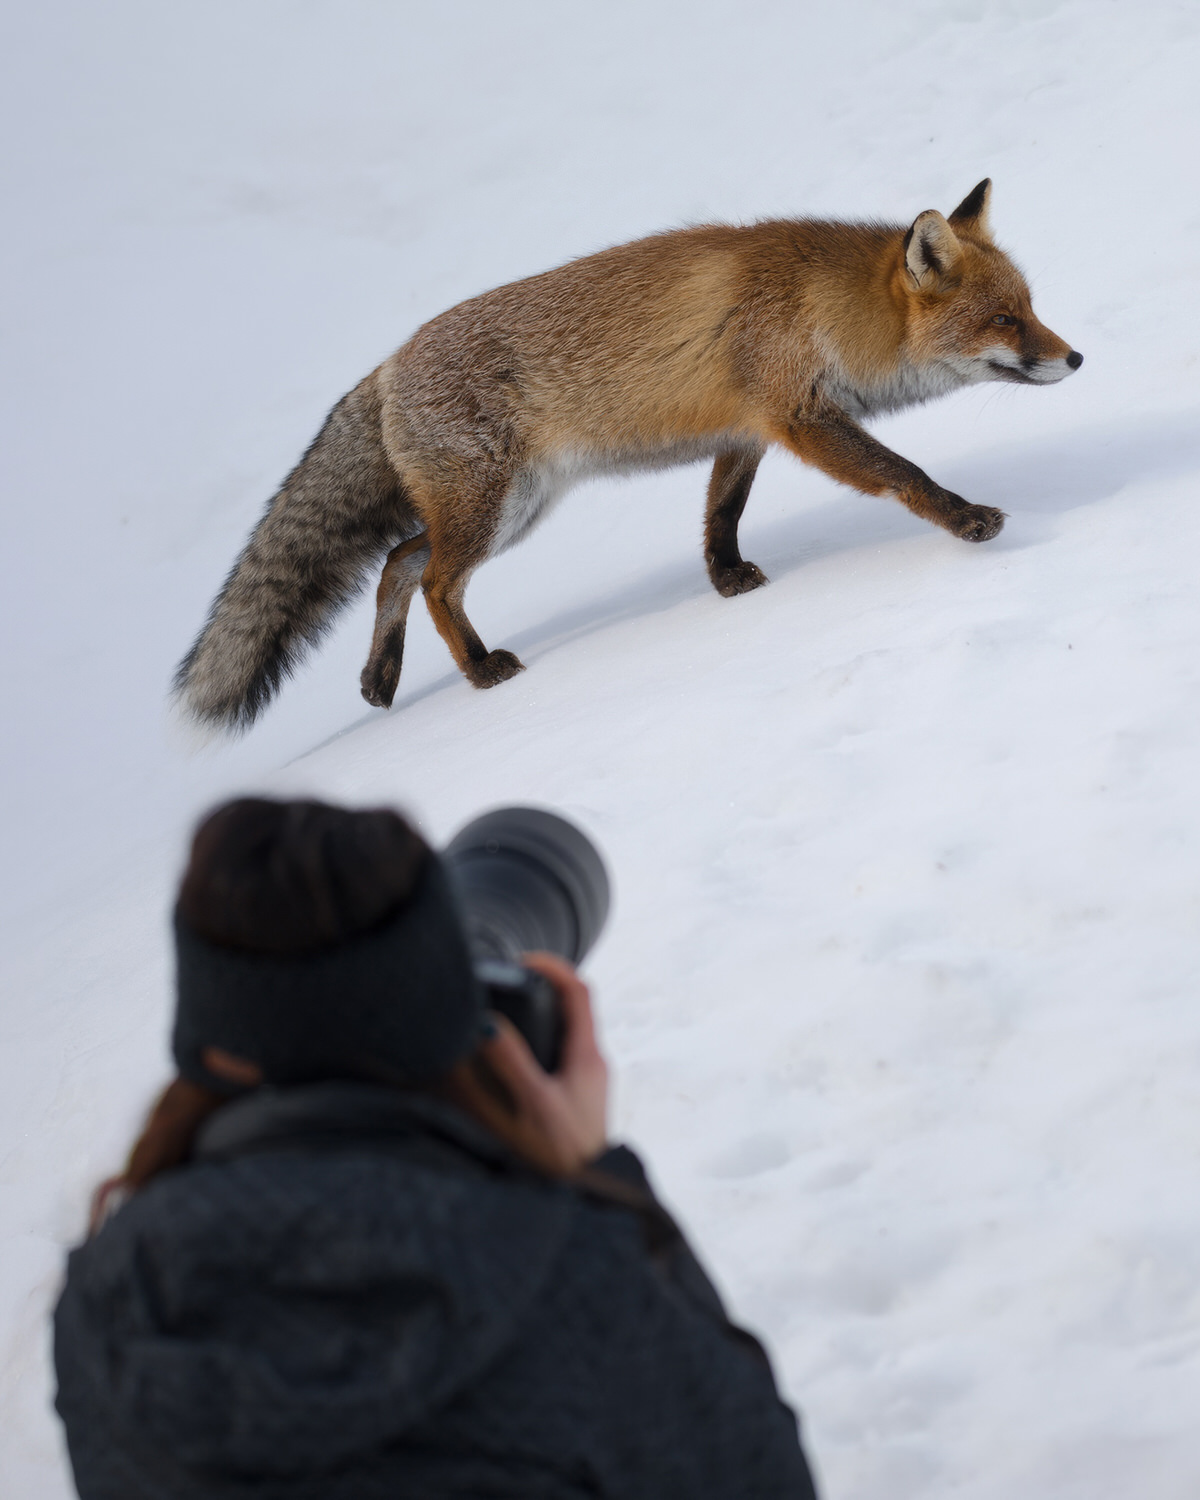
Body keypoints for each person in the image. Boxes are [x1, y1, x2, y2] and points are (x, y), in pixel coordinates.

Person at [54, 797, 819, 1499]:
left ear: (211, 1045)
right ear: (448, 1020)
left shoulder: (113, 1307)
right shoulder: (571, 1278)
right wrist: (600, 1183)